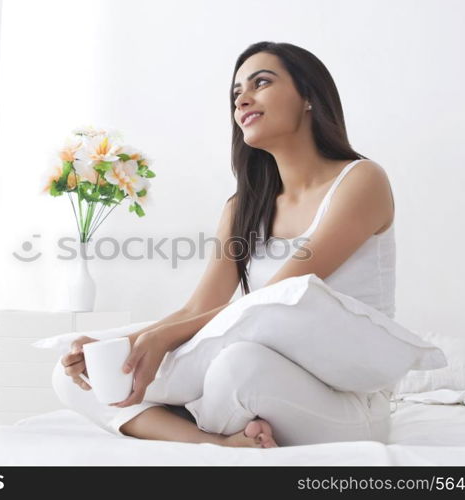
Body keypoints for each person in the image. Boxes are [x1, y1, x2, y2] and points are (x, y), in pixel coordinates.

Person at [52, 41, 396, 448]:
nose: (243, 100)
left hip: (343, 403)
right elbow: (197, 309)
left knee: (239, 363)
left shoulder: (361, 180)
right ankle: (212, 442)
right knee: (73, 375)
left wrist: (155, 343)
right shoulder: (242, 208)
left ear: (308, 96)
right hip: (255, 384)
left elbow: (274, 301)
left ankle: (198, 414)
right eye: (236, 94)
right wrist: (123, 347)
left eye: (261, 83)